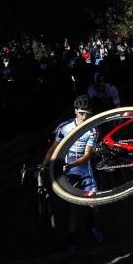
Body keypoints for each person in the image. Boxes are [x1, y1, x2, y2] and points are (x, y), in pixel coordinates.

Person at [43, 95, 102, 250]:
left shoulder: (93, 130)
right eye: (82, 113)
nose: (84, 116)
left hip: (83, 169)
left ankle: (91, 226)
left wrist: (71, 165)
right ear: (76, 111)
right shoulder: (65, 127)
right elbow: (53, 149)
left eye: (87, 113)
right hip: (67, 171)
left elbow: (87, 155)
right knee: (72, 207)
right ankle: (71, 240)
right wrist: (44, 165)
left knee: (94, 202)